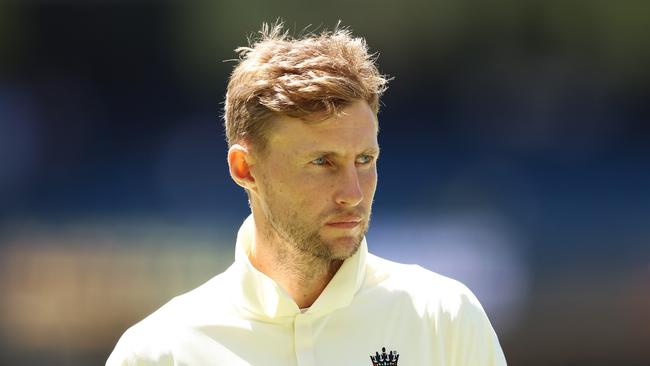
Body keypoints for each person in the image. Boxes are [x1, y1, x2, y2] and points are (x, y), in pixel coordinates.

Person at [107, 22, 507, 366]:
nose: (352, 193)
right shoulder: (159, 352)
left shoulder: (444, 319)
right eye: (322, 162)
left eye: (365, 159)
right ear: (245, 169)